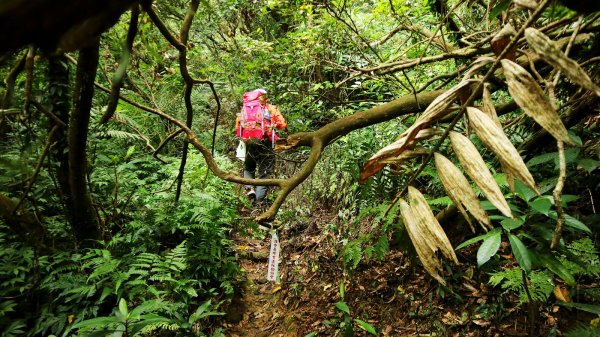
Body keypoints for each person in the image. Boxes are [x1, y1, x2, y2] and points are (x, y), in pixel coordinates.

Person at [236, 89, 287, 205]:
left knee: (249, 168)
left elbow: (238, 128)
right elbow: (283, 124)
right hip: (267, 142)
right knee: (264, 172)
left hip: (249, 141)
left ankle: (250, 189)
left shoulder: (245, 109)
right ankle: (259, 203)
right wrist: (273, 125)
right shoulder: (270, 108)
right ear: (264, 97)